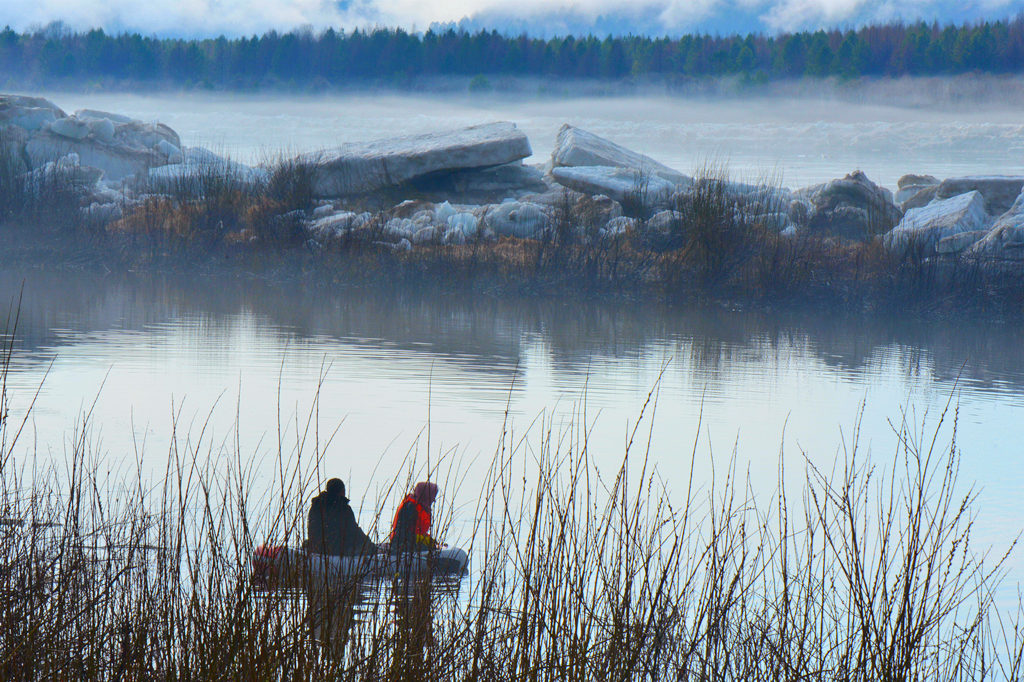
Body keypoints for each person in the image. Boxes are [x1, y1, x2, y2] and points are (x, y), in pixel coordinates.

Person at [306, 478, 376, 556]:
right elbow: (354, 531)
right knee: (368, 549)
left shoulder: (315, 506)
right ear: (342, 491)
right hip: (336, 550)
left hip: (316, 547)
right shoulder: (343, 508)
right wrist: (369, 544)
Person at [390, 481, 439, 553]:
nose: (433, 500)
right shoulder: (410, 507)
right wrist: (420, 539)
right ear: (425, 496)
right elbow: (401, 533)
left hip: (412, 542)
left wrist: (426, 538)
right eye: (432, 497)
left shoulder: (422, 508)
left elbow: (417, 529)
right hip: (401, 545)